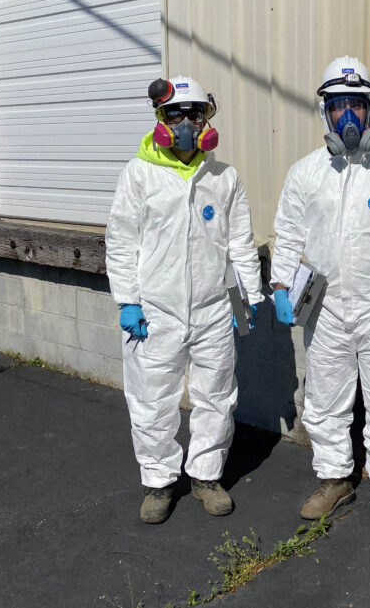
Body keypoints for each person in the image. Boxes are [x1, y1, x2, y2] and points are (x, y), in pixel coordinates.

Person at [271, 56, 370, 531]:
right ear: (325, 111)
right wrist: (281, 286)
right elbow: (288, 233)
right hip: (323, 309)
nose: (348, 116)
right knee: (324, 400)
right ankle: (336, 478)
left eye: (356, 106)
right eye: (338, 105)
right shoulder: (305, 172)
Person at [106, 76, 262, 524]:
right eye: (177, 115)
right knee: (153, 399)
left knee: (216, 396)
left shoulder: (223, 177)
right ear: (161, 120)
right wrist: (127, 301)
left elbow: (240, 243)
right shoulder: (139, 174)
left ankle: (206, 477)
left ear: (207, 119)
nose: (188, 123)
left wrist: (246, 300)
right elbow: (121, 242)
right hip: (155, 311)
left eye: (196, 114)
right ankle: (158, 482)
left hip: (214, 309)